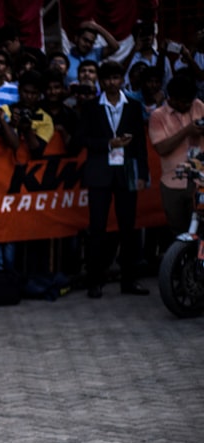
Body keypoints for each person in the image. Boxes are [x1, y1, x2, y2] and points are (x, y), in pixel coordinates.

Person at [77, 61, 149, 298]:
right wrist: (109, 143)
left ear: (122, 80)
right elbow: (83, 139)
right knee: (97, 227)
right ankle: (94, 281)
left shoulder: (133, 106)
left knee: (129, 227)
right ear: (100, 81)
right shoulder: (90, 107)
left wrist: (143, 174)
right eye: (107, 78)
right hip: (99, 170)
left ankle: (129, 280)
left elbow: (140, 144)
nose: (111, 82)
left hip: (127, 169)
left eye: (116, 78)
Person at [148, 74, 204, 236]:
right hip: (173, 182)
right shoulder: (157, 116)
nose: (188, 105)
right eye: (184, 102)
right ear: (172, 98)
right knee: (178, 232)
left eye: (190, 101)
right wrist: (187, 131)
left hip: (200, 180)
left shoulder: (198, 105)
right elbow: (161, 148)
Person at [66, 21, 119, 85]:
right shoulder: (66, 59)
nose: (88, 45)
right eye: (85, 40)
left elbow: (115, 46)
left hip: (95, 94)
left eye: (91, 42)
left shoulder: (95, 53)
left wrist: (97, 27)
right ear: (76, 38)